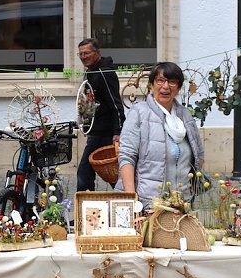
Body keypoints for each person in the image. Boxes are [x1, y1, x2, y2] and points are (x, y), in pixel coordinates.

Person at [117, 62, 204, 208]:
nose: (165, 86)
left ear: (178, 88)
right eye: (160, 81)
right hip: (149, 202)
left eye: (172, 82)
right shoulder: (139, 113)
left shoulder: (185, 115)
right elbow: (126, 157)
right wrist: (131, 198)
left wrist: (193, 185)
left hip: (182, 202)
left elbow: (199, 155)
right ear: (151, 85)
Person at [76, 38, 125, 191]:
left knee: (85, 171)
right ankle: (126, 195)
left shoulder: (104, 72)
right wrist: (86, 124)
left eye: (87, 53)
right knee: (110, 173)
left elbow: (115, 102)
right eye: (80, 54)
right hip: (96, 130)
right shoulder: (92, 71)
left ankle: (85, 204)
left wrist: (118, 131)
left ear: (98, 53)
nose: (83, 57)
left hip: (105, 132)